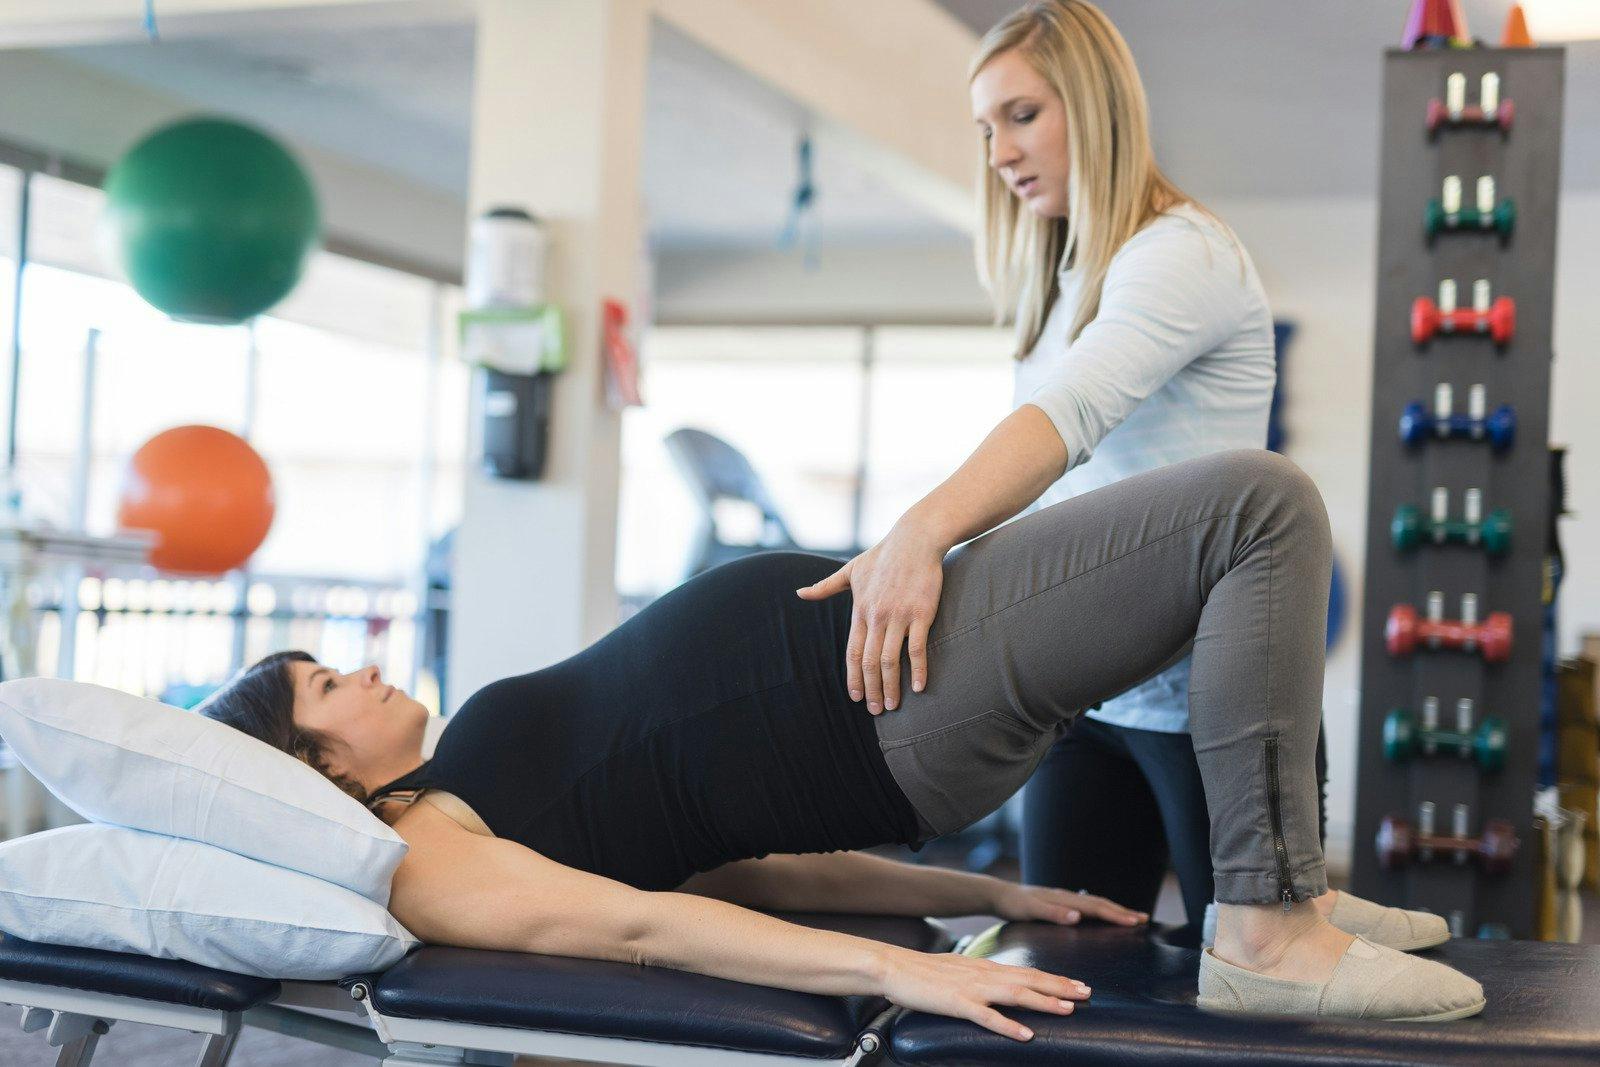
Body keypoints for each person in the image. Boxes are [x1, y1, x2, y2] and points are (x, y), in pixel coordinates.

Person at [203, 451, 1485, 1036]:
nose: (363, 668)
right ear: (321, 767)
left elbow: (738, 874)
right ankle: (1266, 928)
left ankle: (1287, 895)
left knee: (1231, 549)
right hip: (888, 706)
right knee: (1256, 510)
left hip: (887, 701)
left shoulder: (459, 793)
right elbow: (651, 932)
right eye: (328, 682)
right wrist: (901, 974)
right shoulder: (424, 853)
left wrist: (980, 892)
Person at [792, 0, 1365, 951]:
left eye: (1022, 115)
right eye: (985, 129)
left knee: (1250, 984)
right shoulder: (1061, 283)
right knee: (1067, 965)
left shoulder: (1182, 253)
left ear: (1093, 105)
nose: (999, 151)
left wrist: (918, 534)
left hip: (1206, 704)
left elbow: (1073, 416)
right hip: (1089, 699)